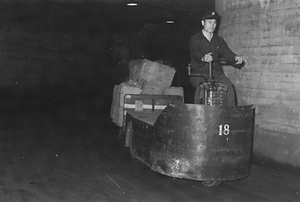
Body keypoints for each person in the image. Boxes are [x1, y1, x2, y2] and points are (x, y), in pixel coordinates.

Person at [189, 11, 244, 106]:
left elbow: (226, 52)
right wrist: (203, 58)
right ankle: (197, 115)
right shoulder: (195, 39)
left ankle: (230, 115)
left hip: (216, 73)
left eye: (214, 23)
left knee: (229, 88)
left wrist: (235, 57)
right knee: (201, 89)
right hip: (198, 73)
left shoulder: (219, 40)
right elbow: (195, 53)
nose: (212, 25)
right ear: (203, 23)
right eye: (209, 22)